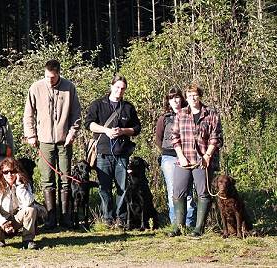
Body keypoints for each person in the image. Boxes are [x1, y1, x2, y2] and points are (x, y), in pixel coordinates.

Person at [23, 59, 81, 229]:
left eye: (53, 77)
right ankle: (50, 219)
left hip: (64, 141)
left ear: (59, 74)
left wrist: (72, 133)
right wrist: (31, 135)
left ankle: (65, 218)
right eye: (48, 77)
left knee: (65, 177)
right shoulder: (35, 88)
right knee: (47, 179)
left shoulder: (69, 87)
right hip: (44, 140)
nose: (50, 80)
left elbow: (76, 114)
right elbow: (28, 114)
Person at [84, 74, 141, 228]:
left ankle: (121, 219)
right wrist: (106, 130)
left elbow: (136, 129)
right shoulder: (98, 104)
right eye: (117, 87)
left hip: (122, 153)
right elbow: (88, 124)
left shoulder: (128, 107)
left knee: (122, 188)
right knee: (104, 188)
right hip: (102, 152)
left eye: (122, 89)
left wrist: (123, 131)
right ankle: (107, 219)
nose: (119, 91)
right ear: (111, 86)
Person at [168, 84, 223, 237]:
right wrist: (180, 156)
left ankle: (198, 228)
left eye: (195, 95)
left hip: (203, 160)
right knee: (178, 193)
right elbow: (174, 136)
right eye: (189, 95)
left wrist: (207, 155)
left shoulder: (211, 114)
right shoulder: (181, 114)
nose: (192, 98)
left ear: (200, 96)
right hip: (184, 160)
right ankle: (178, 227)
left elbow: (216, 137)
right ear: (186, 97)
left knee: (203, 194)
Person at [154, 88, 196, 227]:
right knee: (173, 191)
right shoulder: (164, 118)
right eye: (171, 98)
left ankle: (189, 224)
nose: (175, 101)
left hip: (188, 156)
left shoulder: (190, 114)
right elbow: (158, 139)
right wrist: (167, 151)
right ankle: (176, 225)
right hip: (169, 157)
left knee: (188, 191)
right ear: (168, 101)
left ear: (182, 99)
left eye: (177, 97)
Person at [0, 158, 38, 249]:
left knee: (31, 209)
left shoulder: (24, 183)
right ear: (2, 172)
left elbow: (29, 203)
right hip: (1, 218)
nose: (9, 174)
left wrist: (20, 186)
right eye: (6, 172)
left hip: (16, 218)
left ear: (18, 171)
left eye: (13, 171)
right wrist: (3, 222)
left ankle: (28, 240)